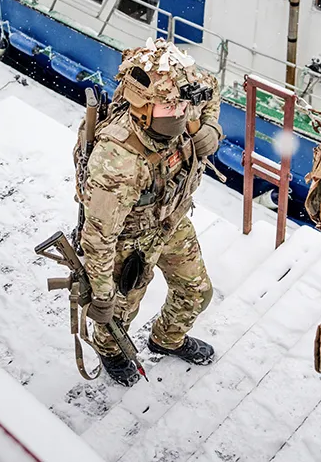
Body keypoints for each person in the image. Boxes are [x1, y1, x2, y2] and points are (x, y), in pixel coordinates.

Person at [77, 39, 224, 386]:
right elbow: (98, 238)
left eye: (182, 106)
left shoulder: (183, 98)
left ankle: (166, 338)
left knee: (197, 291)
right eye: (168, 108)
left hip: (170, 219)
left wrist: (210, 129)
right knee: (118, 315)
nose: (179, 113)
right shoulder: (118, 162)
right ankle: (110, 351)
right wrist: (101, 293)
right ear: (141, 106)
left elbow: (211, 91)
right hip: (129, 242)